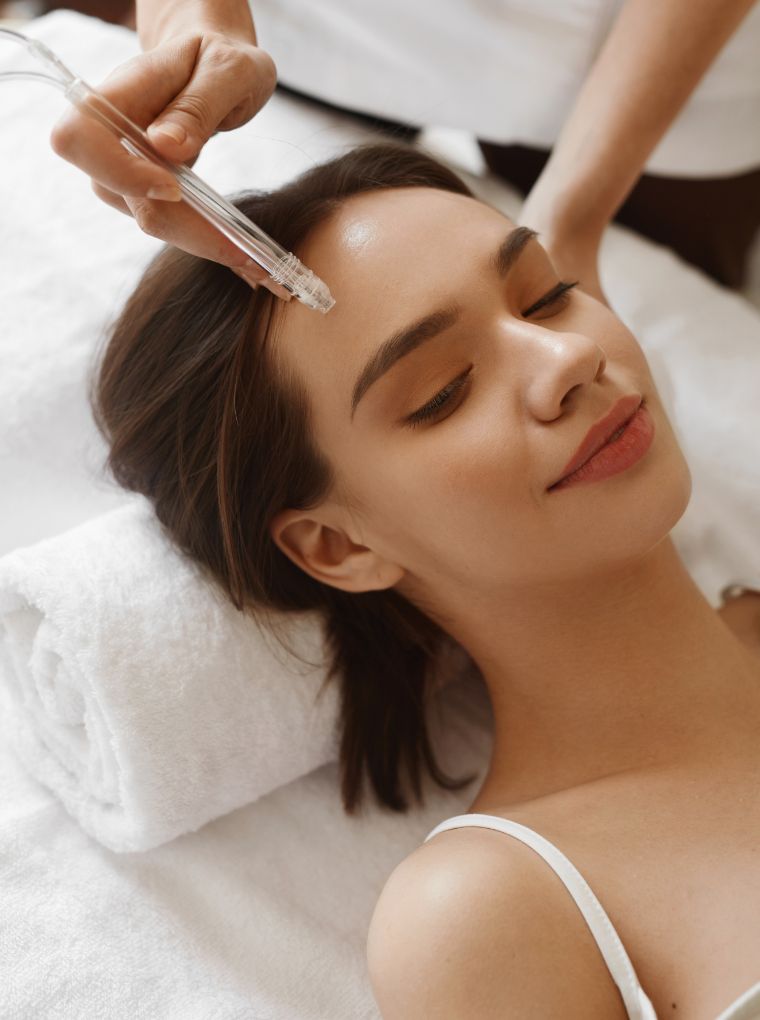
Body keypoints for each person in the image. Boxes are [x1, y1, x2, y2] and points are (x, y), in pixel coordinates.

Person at [90, 140, 760, 1017]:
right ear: (338, 546)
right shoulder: (493, 911)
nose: (565, 361)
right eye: (443, 391)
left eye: (547, 298)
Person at [49, 0, 760, 306]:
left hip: (660, 72)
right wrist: (195, 26)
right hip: (317, 41)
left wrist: (573, 214)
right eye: (440, 396)